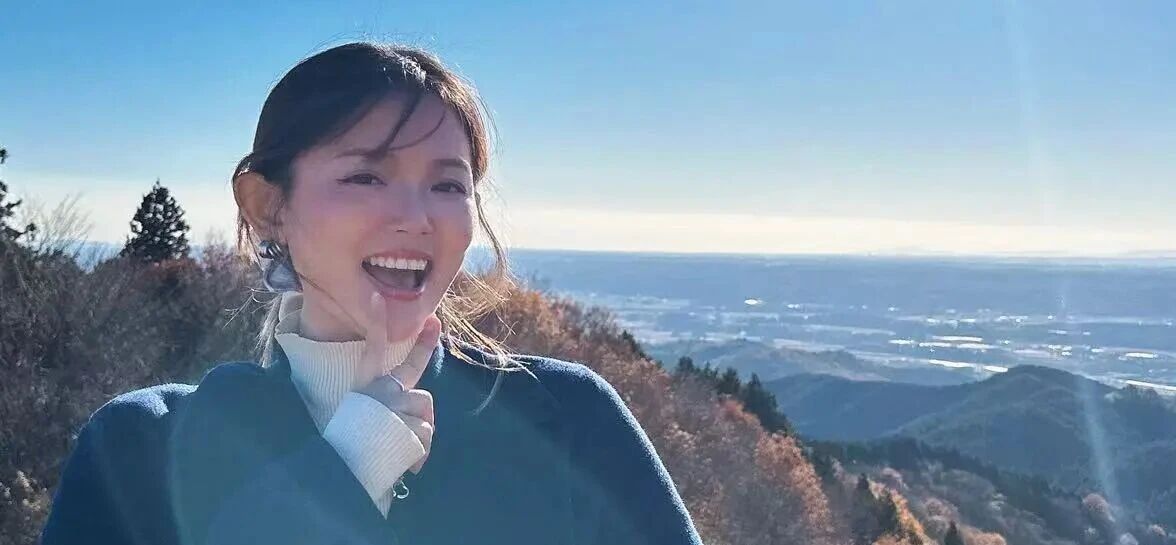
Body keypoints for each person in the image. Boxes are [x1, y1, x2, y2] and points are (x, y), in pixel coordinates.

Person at [40, 41, 703, 545]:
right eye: (366, 177)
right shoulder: (140, 448)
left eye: (448, 185)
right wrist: (347, 466)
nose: (416, 216)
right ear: (268, 207)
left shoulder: (567, 419)